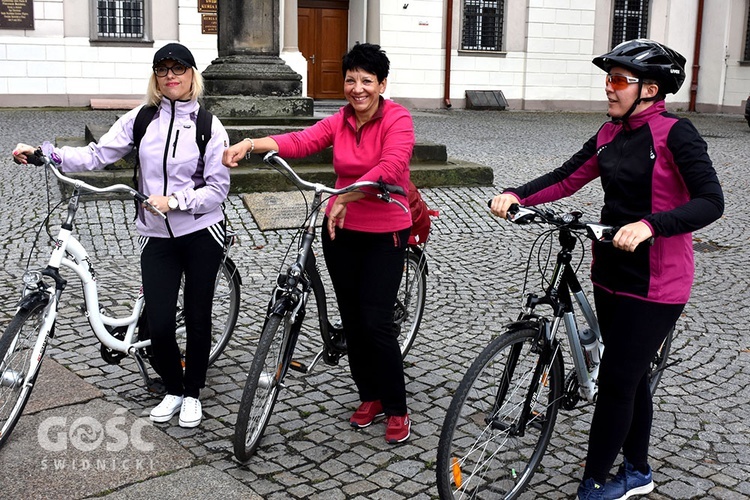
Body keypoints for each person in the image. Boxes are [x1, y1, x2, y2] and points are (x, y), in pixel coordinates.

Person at [489, 39, 724, 500]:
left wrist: (650, 225)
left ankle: (596, 481)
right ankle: (638, 467)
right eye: (608, 79)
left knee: (617, 382)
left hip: (657, 282)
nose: (609, 89)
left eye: (619, 81)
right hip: (610, 272)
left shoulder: (677, 134)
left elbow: (711, 201)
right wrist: (518, 193)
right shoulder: (609, 133)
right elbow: (566, 176)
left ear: (651, 89)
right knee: (629, 374)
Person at [12, 43, 231, 429]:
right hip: (155, 235)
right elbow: (98, 154)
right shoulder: (142, 119)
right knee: (160, 321)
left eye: (178, 68)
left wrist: (176, 201)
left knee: (197, 317)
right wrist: (46, 153)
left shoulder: (208, 126)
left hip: (200, 231)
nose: (170, 76)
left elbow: (217, 189)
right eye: (162, 69)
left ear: (192, 75)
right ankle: (173, 389)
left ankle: (193, 392)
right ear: (155, 77)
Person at [223, 43, 415, 443]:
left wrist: (345, 196)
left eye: (366, 80)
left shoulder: (398, 119)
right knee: (353, 319)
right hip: (341, 232)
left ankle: (396, 406)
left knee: (376, 322)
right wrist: (251, 144)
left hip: (385, 232)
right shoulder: (340, 120)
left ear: (382, 84)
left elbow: (391, 166)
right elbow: (302, 140)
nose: (357, 88)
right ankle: (370, 397)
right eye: (351, 79)